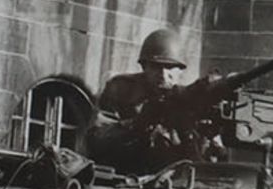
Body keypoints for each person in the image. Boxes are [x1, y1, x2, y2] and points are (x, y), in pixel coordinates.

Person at [86, 27, 201, 172]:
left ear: (180, 70)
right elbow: (97, 138)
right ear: (144, 66)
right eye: (156, 67)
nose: (163, 74)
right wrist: (137, 124)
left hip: (167, 178)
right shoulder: (121, 90)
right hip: (122, 173)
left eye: (170, 67)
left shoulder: (184, 99)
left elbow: (197, 159)